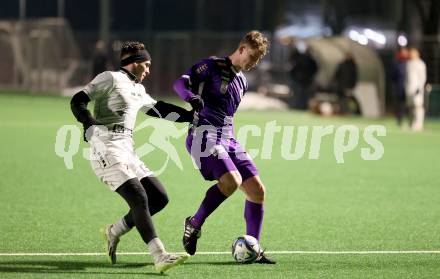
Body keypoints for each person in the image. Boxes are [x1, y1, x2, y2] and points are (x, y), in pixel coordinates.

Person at [70, 41, 192, 273]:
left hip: (127, 148)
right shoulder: (110, 78)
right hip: (105, 146)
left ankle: (114, 231)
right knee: (138, 196)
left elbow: (159, 110)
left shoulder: (138, 88)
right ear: (134, 63)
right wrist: (88, 122)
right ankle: (160, 255)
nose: (148, 70)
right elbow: (78, 100)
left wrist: (190, 116)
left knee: (158, 197)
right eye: (146, 65)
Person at [173, 31, 275, 264]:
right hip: (203, 136)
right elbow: (180, 82)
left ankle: (253, 248)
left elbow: (227, 114)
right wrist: (190, 97)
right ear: (241, 49)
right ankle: (194, 223)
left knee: (257, 191)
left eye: (258, 59)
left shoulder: (242, 81)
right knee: (231, 181)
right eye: (252, 56)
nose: (254, 62)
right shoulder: (212, 65)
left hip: (228, 138)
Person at [405, 47, 427, 131]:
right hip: (409, 88)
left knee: (418, 106)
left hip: (417, 88)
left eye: (413, 52)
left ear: (417, 53)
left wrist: (419, 87)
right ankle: (411, 123)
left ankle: (419, 124)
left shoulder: (421, 64)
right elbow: (407, 77)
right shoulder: (409, 63)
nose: (411, 54)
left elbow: (423, 77)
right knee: (410, 106)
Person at [392, 47, 409, 126]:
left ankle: (410, 120)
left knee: (409, 104)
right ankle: (399, 119)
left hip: (409, 87)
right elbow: (393, 76)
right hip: (399, 87)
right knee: (400, 104)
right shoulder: (396, 62)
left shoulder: (409, 62)